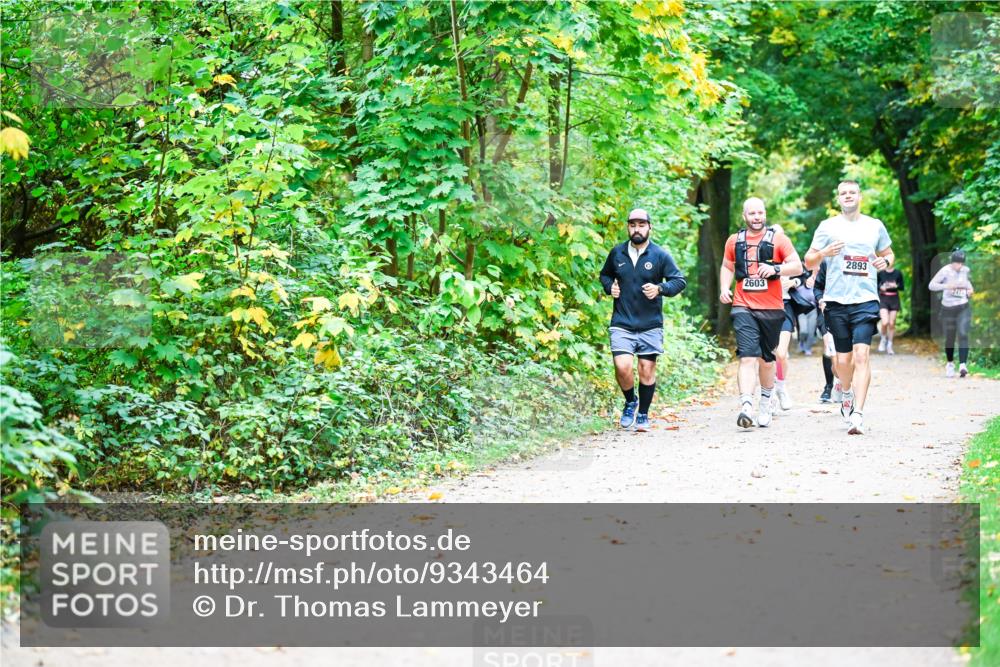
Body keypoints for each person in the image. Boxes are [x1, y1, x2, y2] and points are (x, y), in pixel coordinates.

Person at [804, 180, 894, 435]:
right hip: (836, 301)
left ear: (859, 196)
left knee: (862, 355)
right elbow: (808, 260)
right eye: (843, 193)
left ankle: (859, 414)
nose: (848, 196)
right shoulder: (827, 227)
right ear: (838, 198)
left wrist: (884, 261)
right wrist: (823, 253)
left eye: (852, 192)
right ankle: (845, 391)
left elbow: (889, 254)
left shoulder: (874, 225)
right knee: (843, 360)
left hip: (865, 300)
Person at [600, 208, 687, 431]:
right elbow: (605, 274)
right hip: (622, 322)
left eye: (641, 225)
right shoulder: (617, 253)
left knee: (646, 369)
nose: (636, 229)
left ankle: (644, 414)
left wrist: (660, 288)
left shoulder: (660, 255)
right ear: (628, 227)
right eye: (632, 225)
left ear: (649, 227)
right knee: (622, 366)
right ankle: (631, 402)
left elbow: (679, 281)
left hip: (650, 323)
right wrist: (610, 287)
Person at [719, 198, 802, 428]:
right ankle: (746, 405)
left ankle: (766, 401)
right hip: (743, 304)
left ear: (765, 214)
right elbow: (727, 266)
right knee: (747, 356)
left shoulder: (779, 239)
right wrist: (724, 288)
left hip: (772, 308)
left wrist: (776, 268)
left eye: (760, 213)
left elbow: (797, 266)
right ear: (744, 216)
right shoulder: (734, 241)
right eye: (752, 213)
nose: (757, 217)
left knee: (767, 361)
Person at [929, 250, 974, 378]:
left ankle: (963, 365)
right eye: (956, 263)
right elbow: (931, 285)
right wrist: (947, 286)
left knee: (963, 333)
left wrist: (970, 290)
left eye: (961, 263)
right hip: (948, 308)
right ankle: (950, 364)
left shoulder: (965, 270)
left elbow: (968, 284)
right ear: (951, 262)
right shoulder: (945, 271)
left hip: (963, 306)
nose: (958, 266)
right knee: (950, 337)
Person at [770, 224, 797, 411]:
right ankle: (769, 393)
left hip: (785, 306)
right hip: (767, 307)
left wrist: (794, 282)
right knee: (769, 355)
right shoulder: (762, 257)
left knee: (781, 353)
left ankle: (781, 387)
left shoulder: (788, 257)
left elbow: (800, 275)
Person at [812, 259, 841, 403]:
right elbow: (816, 287)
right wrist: (821, 300)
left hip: (847, 312)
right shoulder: (826, 262)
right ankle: (829, 386)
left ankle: (841, 383)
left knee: (844, 353)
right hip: (826, 312)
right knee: (828, 347)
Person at [877, 266, 905, 354]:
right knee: (885, 322)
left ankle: (889, 345)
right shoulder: (880, 273)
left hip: (894, 299)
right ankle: (883, 339)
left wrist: (895, 285)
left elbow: (902, 287)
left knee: (892, 323)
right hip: (883, 298)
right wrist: (881, 287)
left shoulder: (898, 273)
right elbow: (875, 285)